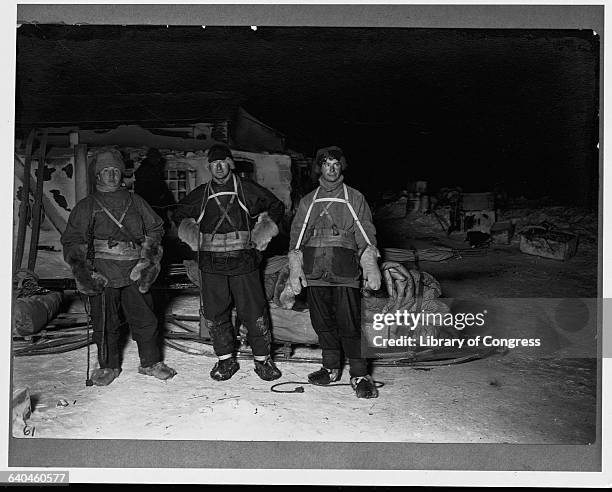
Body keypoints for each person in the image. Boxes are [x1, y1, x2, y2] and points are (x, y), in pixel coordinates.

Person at [61, 148, 177, 386]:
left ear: (122, 174)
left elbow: (156, 228)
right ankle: (108, 366)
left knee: (146, 318)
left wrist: (148, 260)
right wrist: (85, 273)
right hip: (102, 271)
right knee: (105, 321)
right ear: (98, 176)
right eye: (106, 171)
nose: (112, 175)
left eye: (115, 170)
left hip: (134, 269)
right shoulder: (87, 206)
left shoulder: (136, 201)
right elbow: (72, 241)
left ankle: (151, 362)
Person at [173, 144, 285, 381]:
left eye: (223, 162)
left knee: (253, 310)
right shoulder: (201, 194)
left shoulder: (246, 190)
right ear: (209, 167)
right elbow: (179, 214)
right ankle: (225, 360)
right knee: (215, 313)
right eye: (214, 163)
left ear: (230, 163)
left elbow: (276, 206)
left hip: (244, 262)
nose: (219, 167)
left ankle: (263, 361)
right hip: (211, 264)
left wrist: (261, 235)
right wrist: (194, 238)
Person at [287, 146, 382, 398]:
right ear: (320, 167)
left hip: (345, 270)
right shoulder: (309, 200)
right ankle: (330, 367)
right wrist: (295, 266)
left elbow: (366, 234)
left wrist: (370, 263)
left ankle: (360, 373)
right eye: (326, 163)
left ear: (341, 167)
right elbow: (297, 237)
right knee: (322, 323)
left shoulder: (355, 198)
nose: (331, 168)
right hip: (315, 270)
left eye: (336, 164)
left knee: (349, 323)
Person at [133, 148, 176, 229]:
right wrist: (172, 205)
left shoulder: (151, 169)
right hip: (151, 202)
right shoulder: (147, 171)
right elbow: (162, 188)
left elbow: (163, 188)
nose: (157, 160)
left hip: (153, 203)